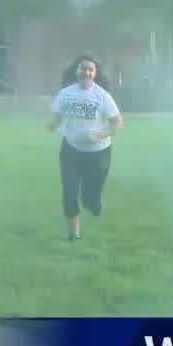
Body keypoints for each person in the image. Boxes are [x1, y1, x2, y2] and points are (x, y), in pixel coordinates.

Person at [48, 55, 123, 242]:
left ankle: (93, 202)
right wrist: (53, 125)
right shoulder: (66, 93)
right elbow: (58, 114)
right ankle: (74, 234)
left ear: (95, 74)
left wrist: (101, 134)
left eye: (91, 69)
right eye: (83, 68)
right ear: (77, 71)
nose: (87, 72)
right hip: (71, 150)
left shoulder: (102, 96)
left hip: (99, 153)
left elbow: (117, 123)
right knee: (69, 190)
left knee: (90, 197)